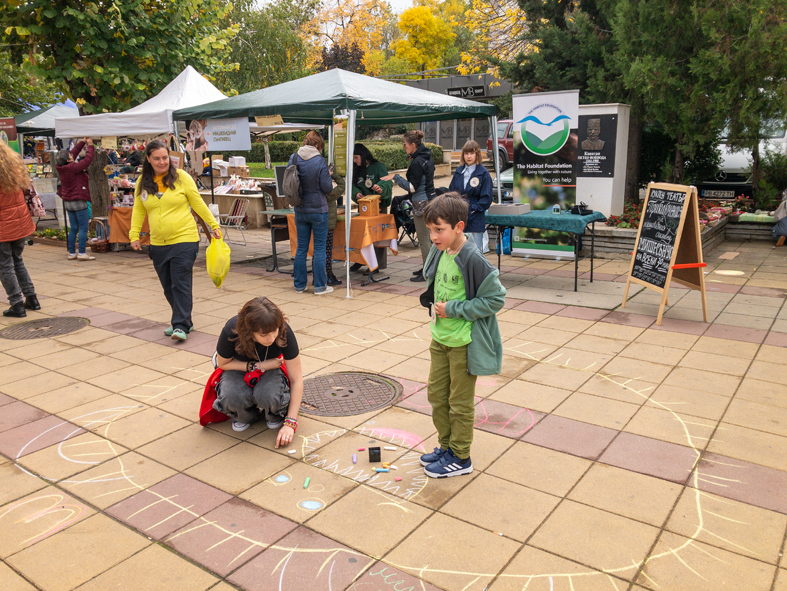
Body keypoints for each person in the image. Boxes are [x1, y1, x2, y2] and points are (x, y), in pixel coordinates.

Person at [418, 192, 506, 478]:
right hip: (440, 338)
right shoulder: (441, 250)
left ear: (458, 227)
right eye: (430, 230)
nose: (433, 236)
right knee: (437, 397)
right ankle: (446, 448)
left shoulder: (472, 257)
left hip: (464, 343)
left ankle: (461, 456)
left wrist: (454, 308)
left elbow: (496, 299)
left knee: (459, 403)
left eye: (439, 229)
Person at [129, 139, 222, 341]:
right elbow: (138, 210)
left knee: (180, 283)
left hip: (184, 238)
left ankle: (180, 325)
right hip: (159, 243)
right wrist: (134, 235)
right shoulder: (142, 182)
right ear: (148, 159)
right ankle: (183, 319)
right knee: (168, 285)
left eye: (165, 158)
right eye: (157, 159)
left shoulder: (182, 178)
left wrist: (213, 225)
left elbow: (197, 203)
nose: (162, 162)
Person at [213, 297, 304, 444]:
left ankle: (274, 414)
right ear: (249, 331)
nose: (272, 338)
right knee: (232, 396)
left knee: (269, 395)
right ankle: (244, 416)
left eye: (274, 331)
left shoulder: (283, 330)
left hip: (271, 368)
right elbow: (223, 364)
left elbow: (297, 379)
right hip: (238, 366)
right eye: (264, 335)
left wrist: (290, 423)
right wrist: (259, 366)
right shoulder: (231, 330)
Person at [381, 129, 435, 282]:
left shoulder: (417, 162)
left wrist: (396, 178)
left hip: (421, 203)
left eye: (404, 144)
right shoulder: (426, 156)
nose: (403, 146)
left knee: (424, 239)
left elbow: (412, 187)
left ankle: (428, 272)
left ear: (413, 144)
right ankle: (427, 267)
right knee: (429, 238)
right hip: (430, 199)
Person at [290, 130, 333, 295]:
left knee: (301, 247)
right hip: (318, 210)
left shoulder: (294, 158)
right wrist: (328, 176)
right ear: (317, 144)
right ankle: (320, 286)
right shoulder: (320, 161)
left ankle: (299, 285)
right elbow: (327, 188)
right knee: (320, 248)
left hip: (300, 208)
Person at [0, 142, 40, 318]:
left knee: (5, 266)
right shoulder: (14, 167)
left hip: (3, 225)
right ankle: (32, 298)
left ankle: (16, 304)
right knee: (17, 261)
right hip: (19, 223)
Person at [349, 143, 394, 273]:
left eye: (356, 157)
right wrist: (356, 193)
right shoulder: (355, 168)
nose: (354, 160)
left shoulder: (378, 167)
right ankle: (359, 260)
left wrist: (380, 188)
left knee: (377, 237)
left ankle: (376, 265)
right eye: (353, 158)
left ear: (363, 155)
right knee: (360, 235)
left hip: (378, 207)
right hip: (363, 207)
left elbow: (386, 182)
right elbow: (352, 185)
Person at [447, 140, 493, 253]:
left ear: (477, 154)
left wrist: (474, 209)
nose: (469, 156)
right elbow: (451, 192)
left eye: (472, 153)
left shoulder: (483, 173)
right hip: (459, 217)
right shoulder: (459, 171)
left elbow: (487, 198)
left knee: (475, 252)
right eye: (466, 153)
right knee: (459, 251)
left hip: (476, 217)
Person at [56, 138, 96, 261]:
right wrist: (90, 145)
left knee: (74, 227)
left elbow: (73, 153)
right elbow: (87, 160)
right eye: (69, 155)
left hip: (68, 201)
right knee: (84, 227)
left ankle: (72, 252)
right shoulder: (74, 167)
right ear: (69, 159)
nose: (71, 154)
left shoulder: (60, 166)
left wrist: (82, 142)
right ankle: (82, 253)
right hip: (78, 200)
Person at [326, 167, 345, 286]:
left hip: (315, 222)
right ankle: (328, 275)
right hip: (327, 225)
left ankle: (317, 276)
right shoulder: (330, 194)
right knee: (327, 252)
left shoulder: (314, 192)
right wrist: (333, 174)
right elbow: (342, 184)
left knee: (317, 251)